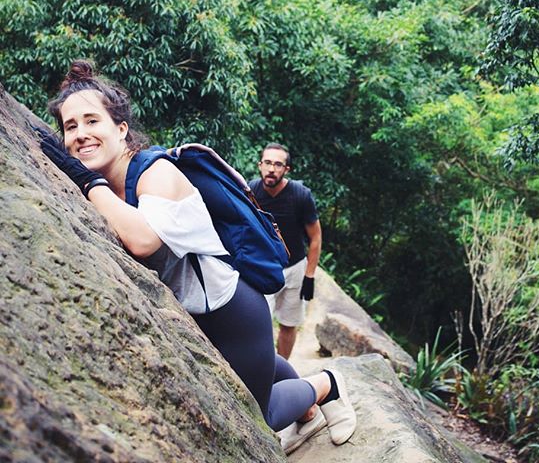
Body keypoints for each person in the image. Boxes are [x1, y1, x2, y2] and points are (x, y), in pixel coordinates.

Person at [37, 60, 356, 454]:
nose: (80, 135)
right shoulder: (117, 186)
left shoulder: (154, 173)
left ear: (120, 129)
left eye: (91, 121)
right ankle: (307, 415)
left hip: (232, 313)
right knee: (262, 365)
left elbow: (142, 241)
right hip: (199, 317)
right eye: (70, 127)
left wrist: (86, 181)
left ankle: (325, 386)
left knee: (259, 414)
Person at [249, 144, 321, 360]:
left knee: (289, 324)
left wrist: (309, 275)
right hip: (263, 266)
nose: (272, 169)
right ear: (260, 165)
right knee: (258, 322)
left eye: (278, 164)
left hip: (295, 266)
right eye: (268, 163)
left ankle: (280, 371)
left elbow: (315, 237)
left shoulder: (300, 195)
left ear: (286, 169)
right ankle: (260, 366)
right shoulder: (250, 191)